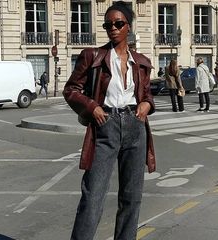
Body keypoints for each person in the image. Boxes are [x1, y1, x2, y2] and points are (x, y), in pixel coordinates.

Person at [63, 1, 156, 239]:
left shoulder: (141, 62)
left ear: (128, 26)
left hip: (136, 126)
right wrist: (91, 106)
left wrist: (147, 104)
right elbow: (71, 89)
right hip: (105, 126)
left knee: (132, 197)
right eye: (108, 24)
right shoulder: (93, 56)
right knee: (93, 195)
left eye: (118, 23)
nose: (112, 28)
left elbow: (146, 94)